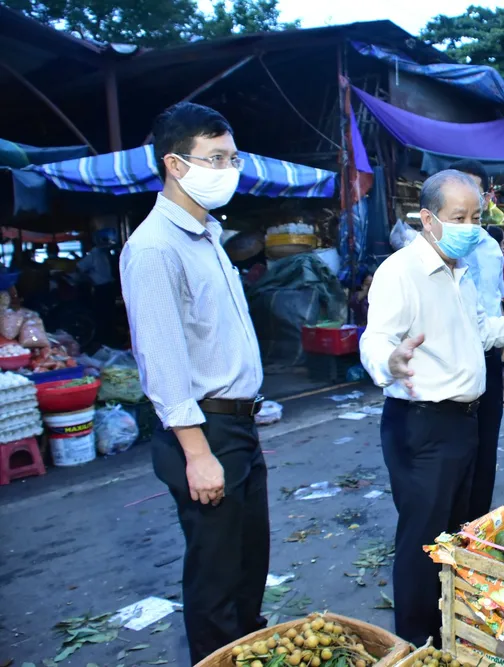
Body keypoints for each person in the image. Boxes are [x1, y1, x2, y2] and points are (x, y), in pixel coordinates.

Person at [359, 170, 504, 645]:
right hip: (422, 426)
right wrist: (389, 360)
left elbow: (483, 332)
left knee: (456, 536)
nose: (471, 227)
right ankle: (416, 644)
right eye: (459, 217)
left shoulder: (460, 273)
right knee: (423, 542)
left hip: (464, 423)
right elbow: (375, 339)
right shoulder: (400, 272)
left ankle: (449, 633)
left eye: (477, 217)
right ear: (428, 219)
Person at [120, 103, 268, 664]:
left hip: (238, 426)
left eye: (232, 158)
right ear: (175, 164)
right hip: (205, 432)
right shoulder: (155, 247)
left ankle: (249, 654)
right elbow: (161, 361)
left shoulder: (207, 236)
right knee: (217, 581)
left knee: (249, 567)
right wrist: (198, 453)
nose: (228, 170)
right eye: (216, 158)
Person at [450, 160, 504, 520]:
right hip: (449, 362)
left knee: (485, 446)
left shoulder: (491, 249)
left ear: (487, 197)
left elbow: (496, 309)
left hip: (488, 355)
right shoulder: (427, 250)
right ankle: (448, 530)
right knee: (454, 452)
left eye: (475, 192)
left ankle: (476, 525)